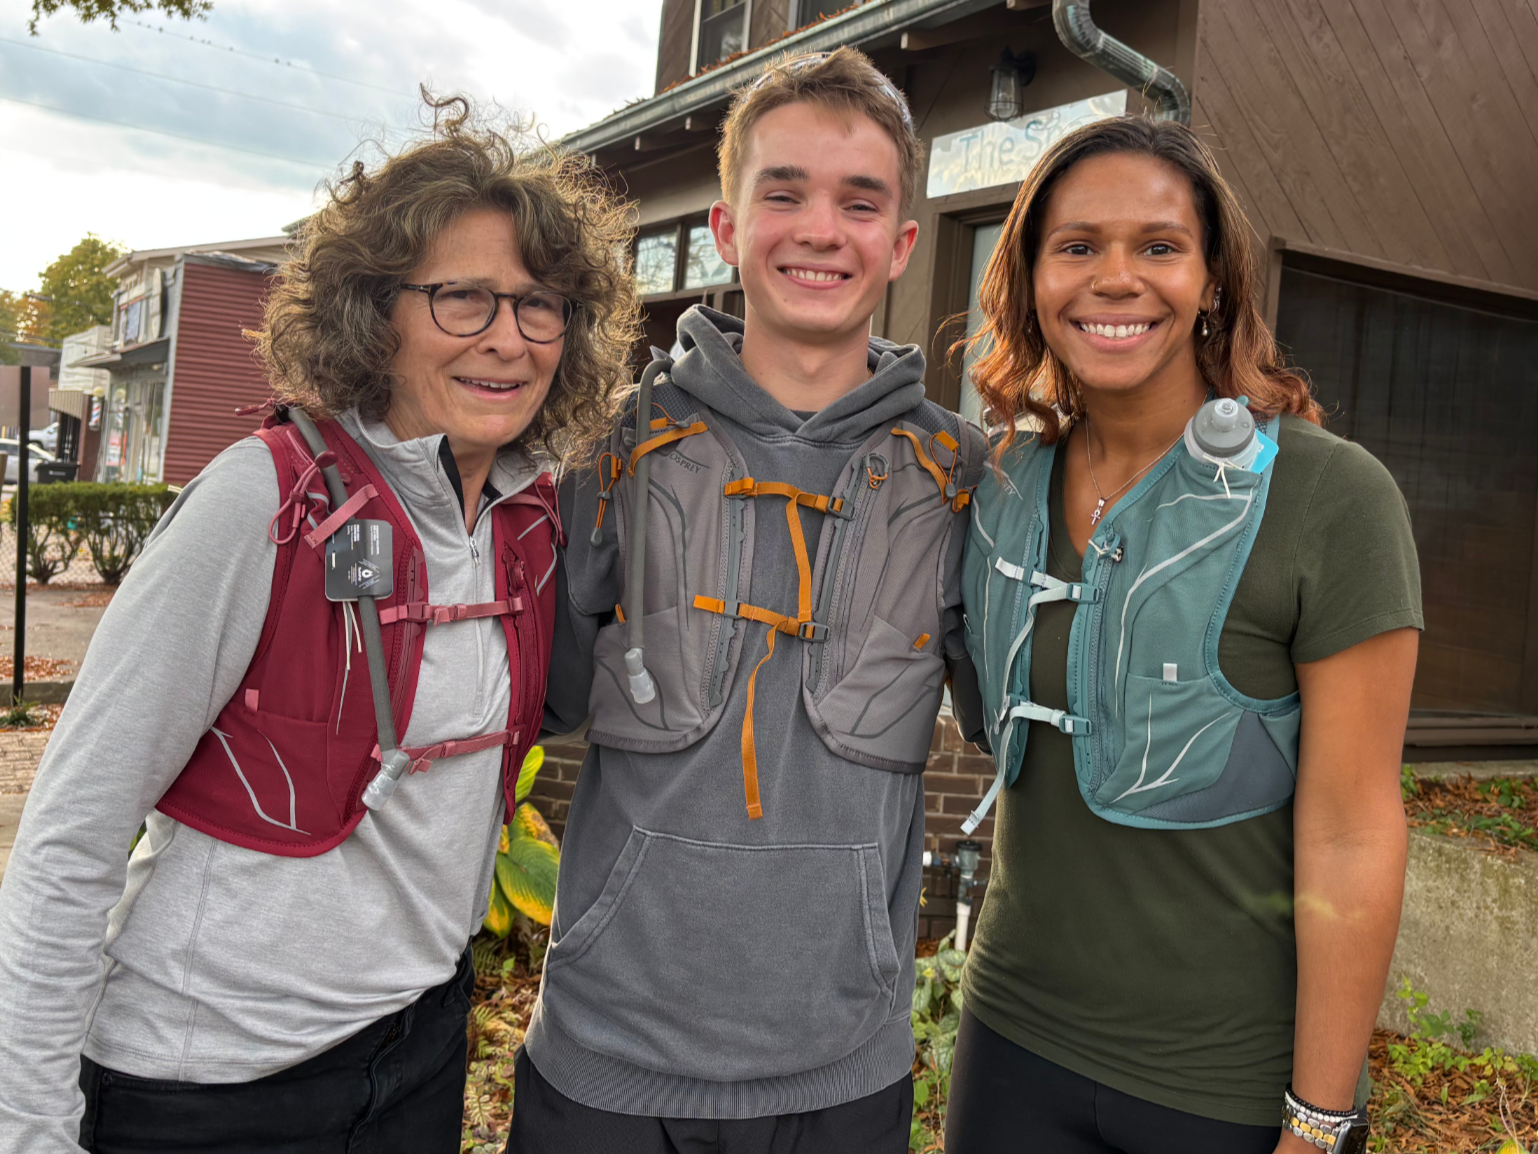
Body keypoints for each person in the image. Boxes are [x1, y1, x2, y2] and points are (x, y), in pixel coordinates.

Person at [0, 98, 637, 1154]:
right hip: (207, 1087)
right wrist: (28, 1128)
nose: (507, 339)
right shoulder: (261, 501)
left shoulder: (529, 525)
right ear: (374, 310)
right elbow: (72, 832)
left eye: (539, 306)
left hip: (419, 1059)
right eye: (463, 297)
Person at [516, 48, 986, 1154]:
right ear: (726, 228)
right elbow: (501, 722)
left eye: (857, 201)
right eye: (782, 192)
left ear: (900, 242)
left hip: (841, 1073)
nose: (818, 230)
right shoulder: (608, 453)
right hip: (603, 1064)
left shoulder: (966, 482)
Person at [946, 116, 1422, 1154]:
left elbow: (1350, 832)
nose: (1115, 278)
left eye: (1157, 246)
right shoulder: (995, 486)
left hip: (1224, 1088)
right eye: (1075, 246)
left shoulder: (1329, 497)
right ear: (1030, 278)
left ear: (1212, 281)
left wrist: (1318, 1118)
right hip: (1008, 1045)